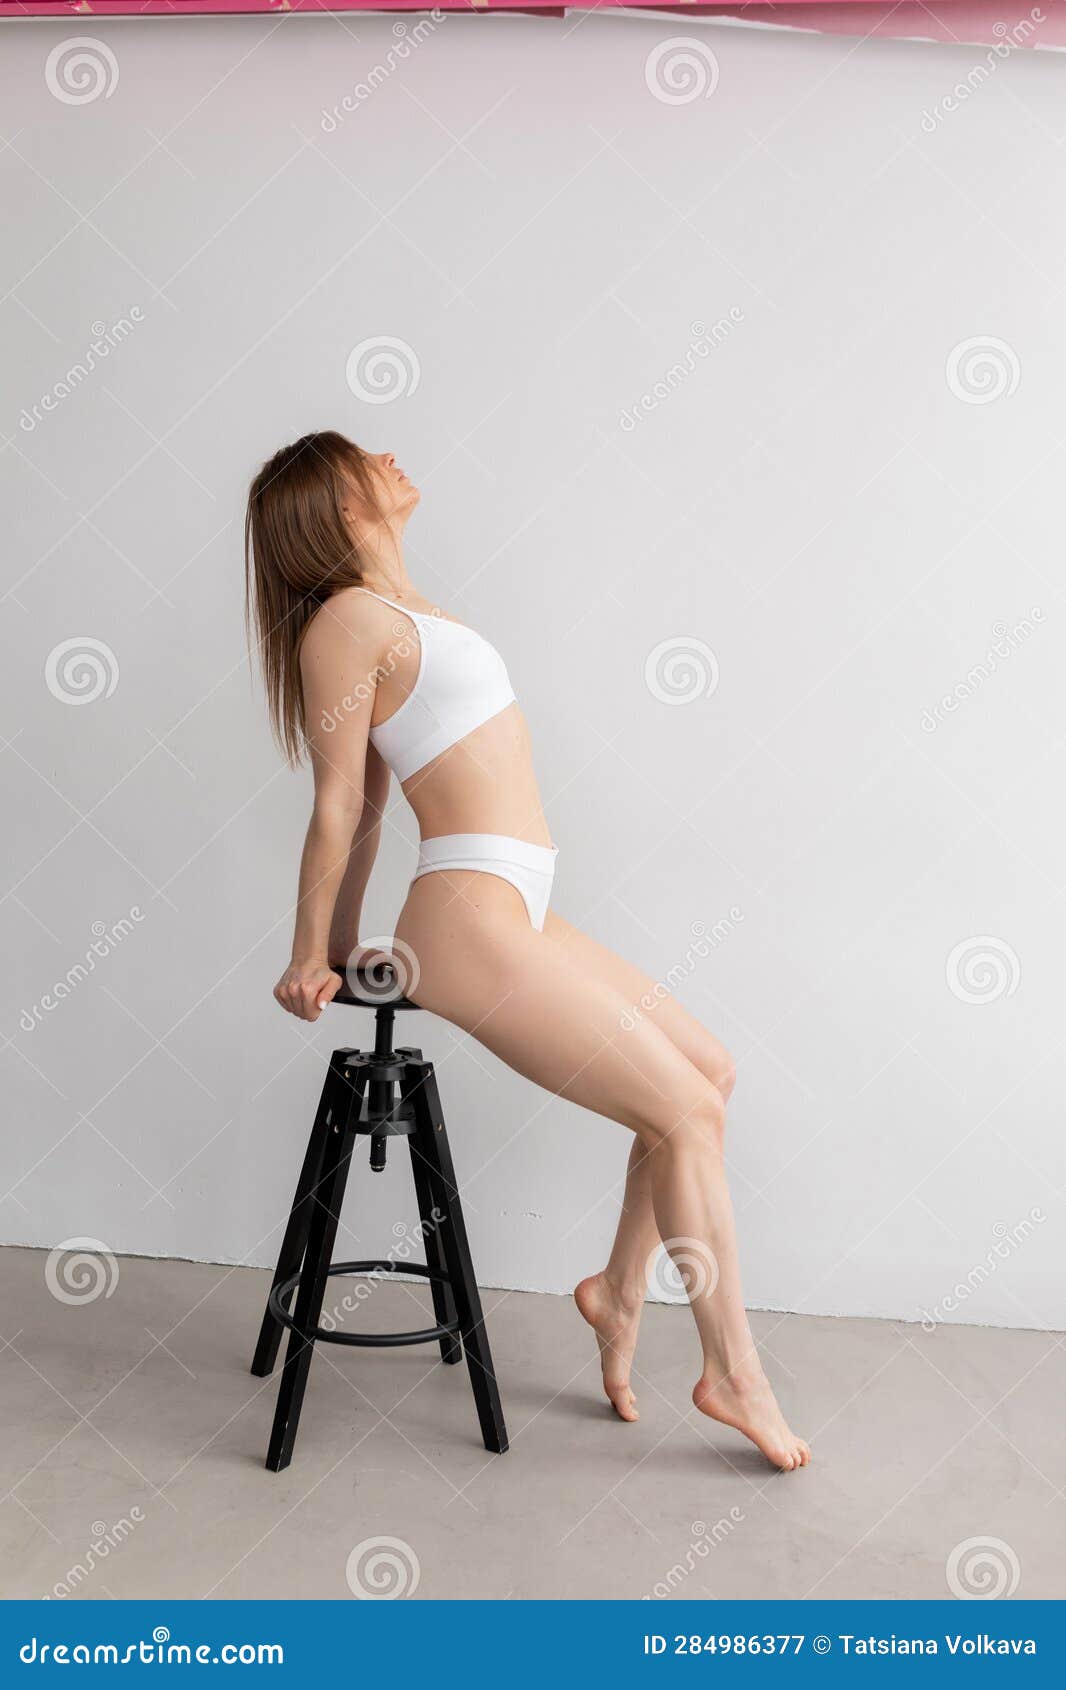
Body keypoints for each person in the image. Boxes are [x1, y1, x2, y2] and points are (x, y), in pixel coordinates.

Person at [245, 430, 810, 1471]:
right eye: (365, 456)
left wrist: (330, 935)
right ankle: (732, 1371)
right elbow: (344, 804)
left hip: (518, 903)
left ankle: (615, 1294)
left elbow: (367, 800)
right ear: (332, 500)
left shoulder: (398, 611)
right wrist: (312, 950)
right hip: (470, 921)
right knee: (683, 1112)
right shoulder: (342, 622)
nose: (391, 455)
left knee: (708, 1076)